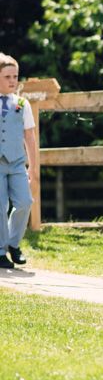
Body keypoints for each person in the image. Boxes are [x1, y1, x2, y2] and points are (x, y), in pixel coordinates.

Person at [0, 54, 36, 269]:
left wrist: (33, 165)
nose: (13, 81)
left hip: (16, 163)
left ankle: (13, 243)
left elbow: (29, 136)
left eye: (15, 76)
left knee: (25, 202)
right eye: (7, 77)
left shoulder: (22, 104)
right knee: (0, 206)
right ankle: (0, 250)